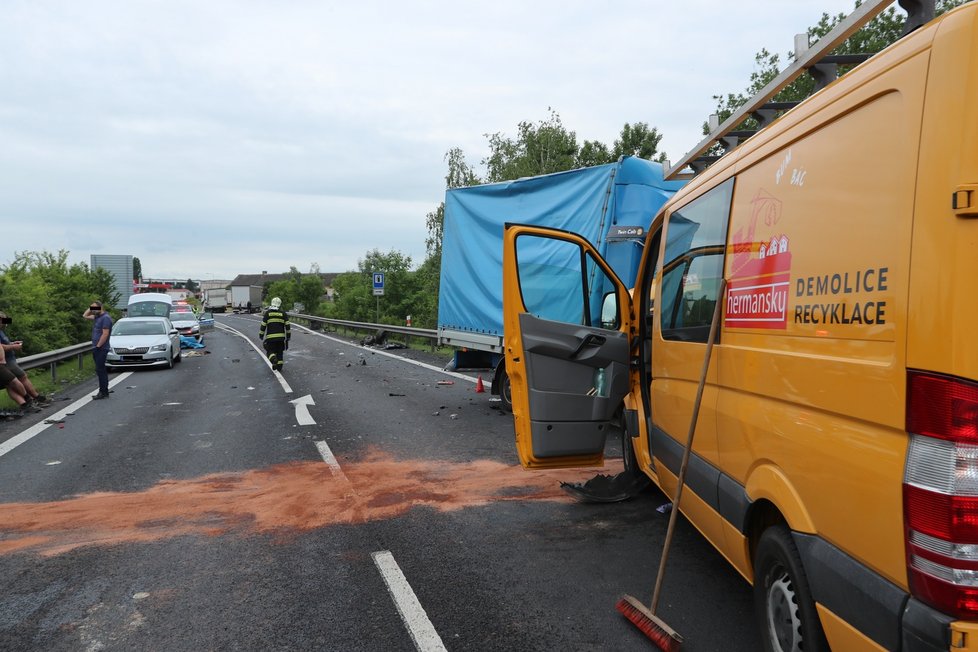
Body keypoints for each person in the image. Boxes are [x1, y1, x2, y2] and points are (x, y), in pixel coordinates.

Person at [0, 311, 49, 409]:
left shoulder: (1, 330)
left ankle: (26, 403)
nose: (6, 323)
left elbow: (4, 343)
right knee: (21, 378)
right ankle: (35, 398)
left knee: (11, 384)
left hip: (8, 359)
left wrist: (12, 343)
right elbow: (1, 346)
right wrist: (14, 347)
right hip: (6, 361)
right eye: (4, 320)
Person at [83, 301, 113, 399]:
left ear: (101, 307)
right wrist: (91, 307)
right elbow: (85, 316)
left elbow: (105, 334)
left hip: (101, 348)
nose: (93, 310)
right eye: (92, 308)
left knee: (100, 370)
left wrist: (98, 346)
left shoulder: (105, 318)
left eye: (95, 308)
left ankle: (103, 391)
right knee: (100, 370)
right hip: (97, 347)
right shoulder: (97, 317)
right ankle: (104, 391)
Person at [259, 297, 290, 371]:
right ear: (280, 304)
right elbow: (288, 327)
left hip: (271, 338)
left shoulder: (268, 313)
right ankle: (279, 367)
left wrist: (261, 335)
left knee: (270, 351)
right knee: (280, 353)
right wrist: (288, 337)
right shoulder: (283, 314)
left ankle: (273, 359)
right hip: (281, 338)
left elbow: (263, 325)